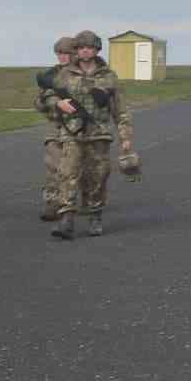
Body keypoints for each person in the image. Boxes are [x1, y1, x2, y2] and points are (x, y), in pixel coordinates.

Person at [43, 30, 139, 239]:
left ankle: (95, 214)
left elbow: (120, 110)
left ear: (96, 49)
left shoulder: (108, 77)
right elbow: (47, 96)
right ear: (76, 50)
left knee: (98, 176)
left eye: (89, 47)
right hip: (72, 133)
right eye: (81, 47)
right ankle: (66, 219)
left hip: (99, 135)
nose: (85, 51)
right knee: (68, 173)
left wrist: (125, 138)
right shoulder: (65, 74)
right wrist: (57, 103)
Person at [35, 35, 77, 221]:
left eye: (67, 53)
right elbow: (38, 101)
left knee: (79, 167)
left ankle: (82, 200)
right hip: (55, 125)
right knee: (53, 165)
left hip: (78, 126)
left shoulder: (84, 74)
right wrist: (50, 103)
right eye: (59, 53)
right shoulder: (49, 76)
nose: (63, 57)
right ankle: (52, 203)